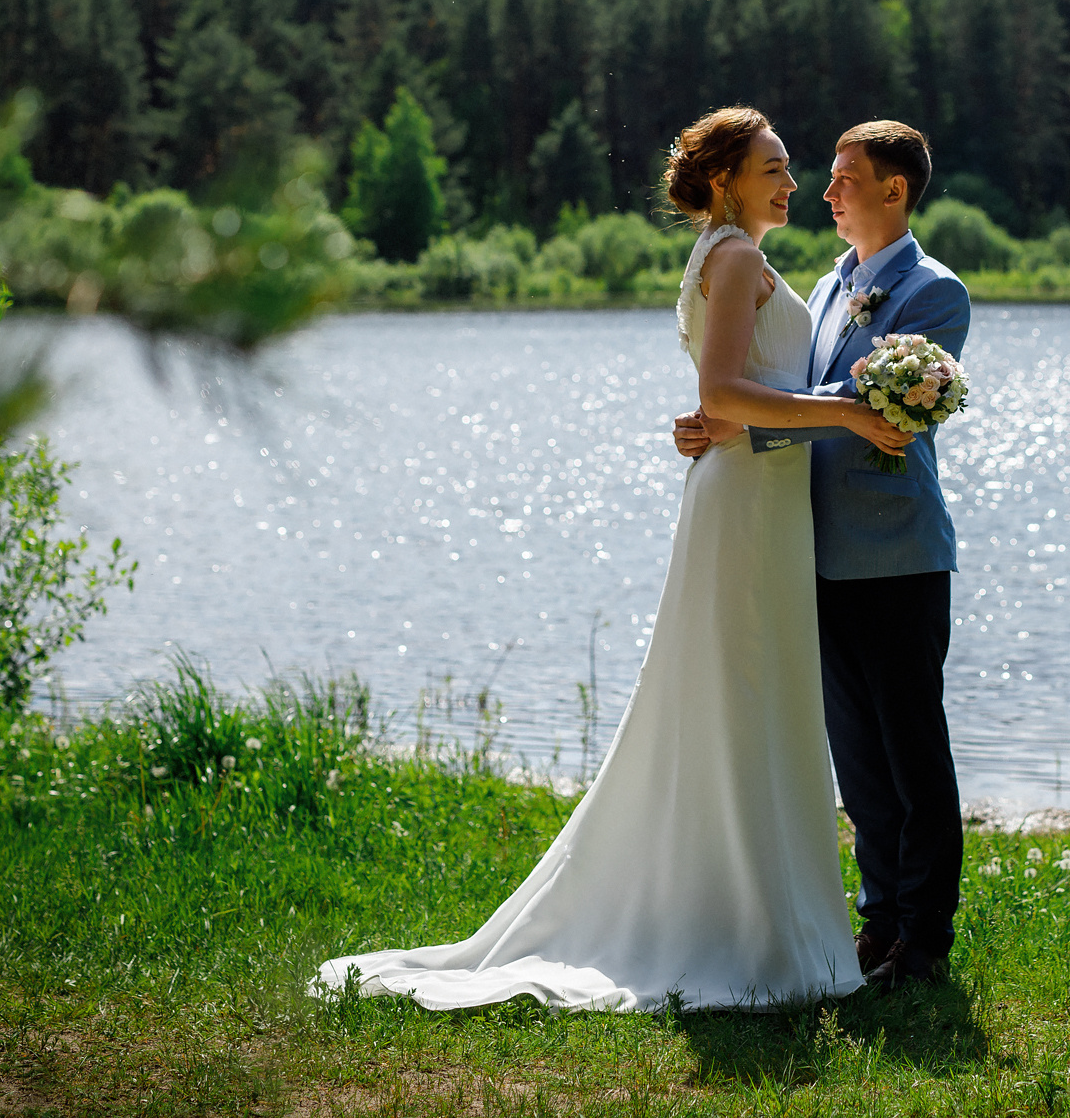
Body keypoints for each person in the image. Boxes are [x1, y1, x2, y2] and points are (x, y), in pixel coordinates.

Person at [312, 107, 912, 1012]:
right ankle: (750, 926)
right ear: (724, 181)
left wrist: (750, 415)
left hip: (754, 489)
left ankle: (757, 909)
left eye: (793, 169)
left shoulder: (723, 251)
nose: (793, 184)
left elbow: (732, 392)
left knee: (744, 696)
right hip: (748, 499)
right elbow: (721, 390)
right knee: (746, 695)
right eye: (774, 168)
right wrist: (843, 411)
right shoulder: (738, 256)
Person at [676, 119, 969, 991]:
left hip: (895, 551)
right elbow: (794, 403)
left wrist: (736, 413)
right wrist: (723, 424)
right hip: (809, 548)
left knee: (913, 750)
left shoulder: (933, 292)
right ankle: (878, 922)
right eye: (826, 175)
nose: (826, 191)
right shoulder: (830, 281)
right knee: (858, 755)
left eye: (846, 178)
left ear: (894, 191)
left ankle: (924, 937)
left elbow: (856, 401)